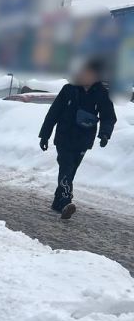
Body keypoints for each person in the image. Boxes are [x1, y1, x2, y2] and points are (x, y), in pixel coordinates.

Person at [38, 58, 116, 219]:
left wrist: (105, 134)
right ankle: (66, 201)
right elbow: (54, 113)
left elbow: (108, 116)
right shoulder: (69, 89)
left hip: (83, 140)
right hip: (64, 137)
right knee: (66, 168)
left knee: (70, 171)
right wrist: (44, 135)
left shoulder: (101, 93)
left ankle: (58, 202)